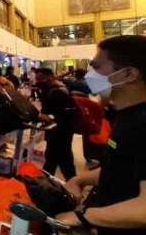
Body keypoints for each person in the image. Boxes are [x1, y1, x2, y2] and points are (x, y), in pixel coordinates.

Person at [57, 35, 146, 233]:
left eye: (97, 67)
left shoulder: (142, 123)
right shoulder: (125, 116)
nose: (90, 74)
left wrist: (83, 217)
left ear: (129, 74)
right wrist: (80, 180)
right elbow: (122, 167)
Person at [35, 68, 77, 181]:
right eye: (37, 79)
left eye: (40, 79)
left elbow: (71, 112)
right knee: (53, 159)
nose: (37, 81)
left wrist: (50, 117)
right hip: (56, 131)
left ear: (48, 78)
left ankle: (74, 184)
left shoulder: (56, 91)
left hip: (61, 131)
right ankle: (46, 182)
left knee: (64, 160)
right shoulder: (50, 89)